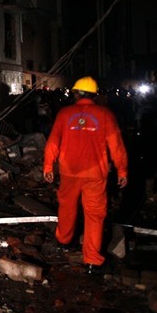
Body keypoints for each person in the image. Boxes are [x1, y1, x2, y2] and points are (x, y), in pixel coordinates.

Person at [43, 76, 128, 273]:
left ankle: (63, 240)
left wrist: (48, 166)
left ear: (76, 93)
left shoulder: (65, 114)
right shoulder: (105, 114)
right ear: (94, 95)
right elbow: (117, 146)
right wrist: (122, 170)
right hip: (95, 174)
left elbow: (53, 142)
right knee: (95, 215)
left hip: (69, 171)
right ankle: (91, 260)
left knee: (67, 206)